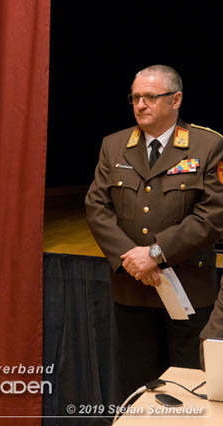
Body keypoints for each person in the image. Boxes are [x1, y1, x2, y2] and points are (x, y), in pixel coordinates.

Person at [85, 65, 223, 402]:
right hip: (132, 290)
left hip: (188, 291)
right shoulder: (114, 145)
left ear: (175, 100)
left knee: (189, 390)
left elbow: (213, 214)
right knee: (135, 389)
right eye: (135, 98)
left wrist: (155, 254)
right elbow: (96, 207)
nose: (141, 104)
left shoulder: (208, 145)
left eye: (150, 97)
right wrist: (133, 260)